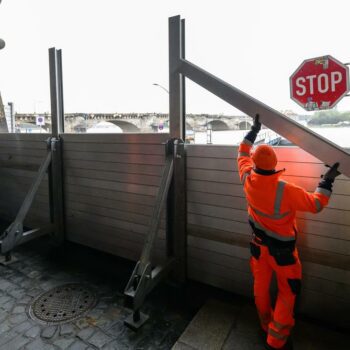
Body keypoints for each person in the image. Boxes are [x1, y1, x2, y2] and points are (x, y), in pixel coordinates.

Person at [237, 114, 341, 350]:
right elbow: (316, 204)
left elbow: (242, 152)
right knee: (287, 292)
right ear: (274, 165)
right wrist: (327, 181)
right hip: (283, 255)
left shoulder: (246, 178)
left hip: (258, 248)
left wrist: (253, 131)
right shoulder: (286, 190)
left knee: (260, 287)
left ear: (254, 164)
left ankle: (265, 326)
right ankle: (276, 340)